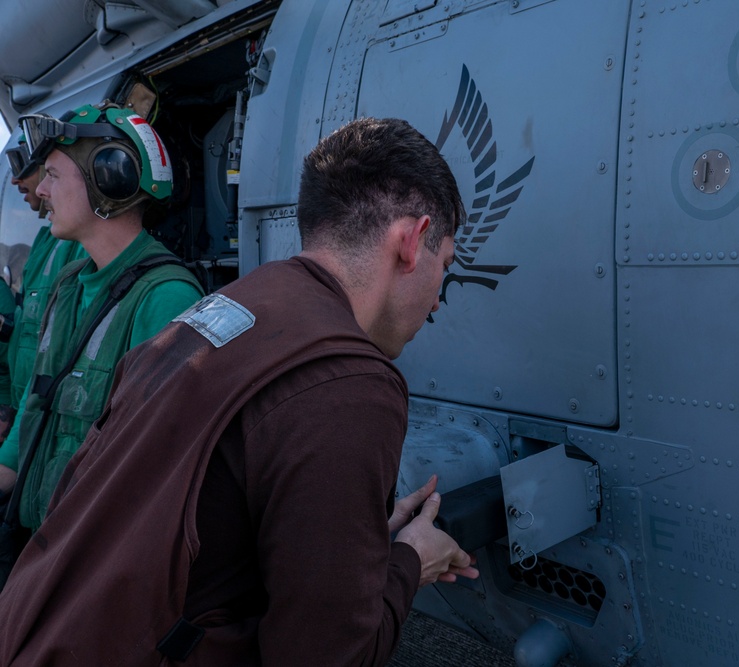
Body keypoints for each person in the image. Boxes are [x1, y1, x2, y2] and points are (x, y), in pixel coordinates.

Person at [0, 117, 477, 666]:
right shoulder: (354, 384)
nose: (438, 300)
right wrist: (412, 559)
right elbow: (329, 655)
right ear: (412, 241)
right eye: (445, 265)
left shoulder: (225, 308)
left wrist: (362, 541)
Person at [0, 103, 204, 531]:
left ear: (109, 181)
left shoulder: (166, 299)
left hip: (90, 558)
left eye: (53, 176)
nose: (40, 191)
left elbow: (154, 471)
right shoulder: (70, 282)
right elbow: (35, 408)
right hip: (42, 543)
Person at [0, 139, 87, 480]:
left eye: (25, 165)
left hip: (46, 431)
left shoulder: (77, 247)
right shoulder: (45, 241)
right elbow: (29, 333)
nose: (15, 181)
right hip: (25, 422)